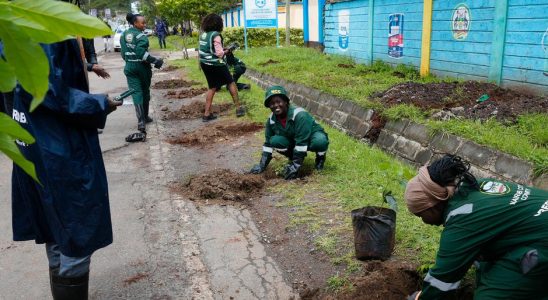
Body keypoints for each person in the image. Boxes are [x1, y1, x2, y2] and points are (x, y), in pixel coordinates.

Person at [4, 36, 121, 299]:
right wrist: (99, 104)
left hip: (31, 141)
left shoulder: (9, 26)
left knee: (54, 227)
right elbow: (48, 89)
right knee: (75, 231)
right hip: (58, 147)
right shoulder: (42, 30)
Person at [404, 155, 548, 300]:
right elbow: (483, 253)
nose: (424, 221)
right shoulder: (475, 187)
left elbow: (444, 277)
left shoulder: (462, 217)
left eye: (421, 215)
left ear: (432, 205)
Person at [249, 86, 329, 180]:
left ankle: (320, 159)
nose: (276, 105)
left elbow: (302, 142)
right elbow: (267, 144)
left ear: (286, 102)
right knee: (274, 141)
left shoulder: (300, 115)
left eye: (279, 102)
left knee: (320, 141)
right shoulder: (271, 120)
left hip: (311, 136)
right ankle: (292, 157)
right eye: (272, 103)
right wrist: (262, 165)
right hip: (295, 138)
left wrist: (295, 167)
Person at [121, 13, 163, 134]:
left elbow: (123, 54)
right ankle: (144, 117)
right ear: (135, 23)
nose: (144, 25)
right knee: (144, 91)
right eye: (142, 23)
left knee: (136, 92)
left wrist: (130, 61)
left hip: (129, 67)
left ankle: (141, 121)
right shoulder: (142, 37)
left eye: (145, 22)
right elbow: (142, 54)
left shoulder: (124, 35)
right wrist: (156, 61)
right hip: (142, 68)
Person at [199, 13, 246, 122]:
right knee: (230, 83)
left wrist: (221, 49)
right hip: (216, 64)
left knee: (212, 87)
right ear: (218, 24)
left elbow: (208, 49)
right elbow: (220, 54)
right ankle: (239, 108)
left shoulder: (204, 35)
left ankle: (206, 114)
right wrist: (228, 50)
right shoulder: (216, 35)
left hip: (205, 63)